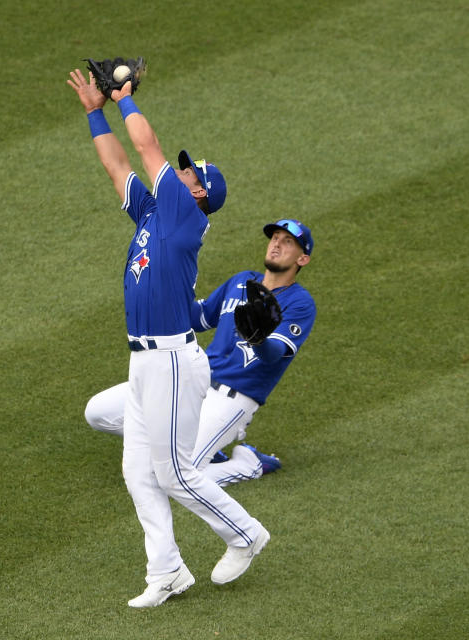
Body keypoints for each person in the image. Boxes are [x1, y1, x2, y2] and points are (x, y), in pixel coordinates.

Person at [67, 67, 269, 608]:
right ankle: (168, 571)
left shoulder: (182, 212)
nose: (179, 174)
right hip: (145, 363)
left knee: (175, 471)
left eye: (189, 173)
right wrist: (94, 111)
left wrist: (125, 99)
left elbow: (146, 145)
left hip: (174, 363)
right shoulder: (157, 212)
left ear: (199, 193)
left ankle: (246, 535)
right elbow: (117, 166)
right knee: (139, 473)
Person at [85, 219, 316, 488]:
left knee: (171, 479)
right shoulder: (243, 281)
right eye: (275, 237)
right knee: (98, 412)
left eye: (288, 241)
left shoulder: (300, 303)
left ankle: (248, 463)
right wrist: (169, 287)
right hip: (193, 378)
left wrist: (258, 338)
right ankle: (192, 446)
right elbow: (199, 317)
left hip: (232, 401)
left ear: (303, 258)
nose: (277, 244)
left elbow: (273, 355)